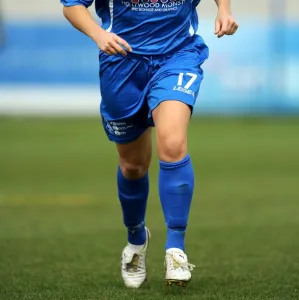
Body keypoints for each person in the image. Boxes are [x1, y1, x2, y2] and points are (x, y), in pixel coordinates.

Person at [61, 0, 238, 288]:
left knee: (172, 142)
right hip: (121, 61)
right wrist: (98, 34)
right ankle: (136, 240)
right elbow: (72, 6)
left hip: (177, 56)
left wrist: (224, 10)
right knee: (133, 166)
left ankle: (175, 249)